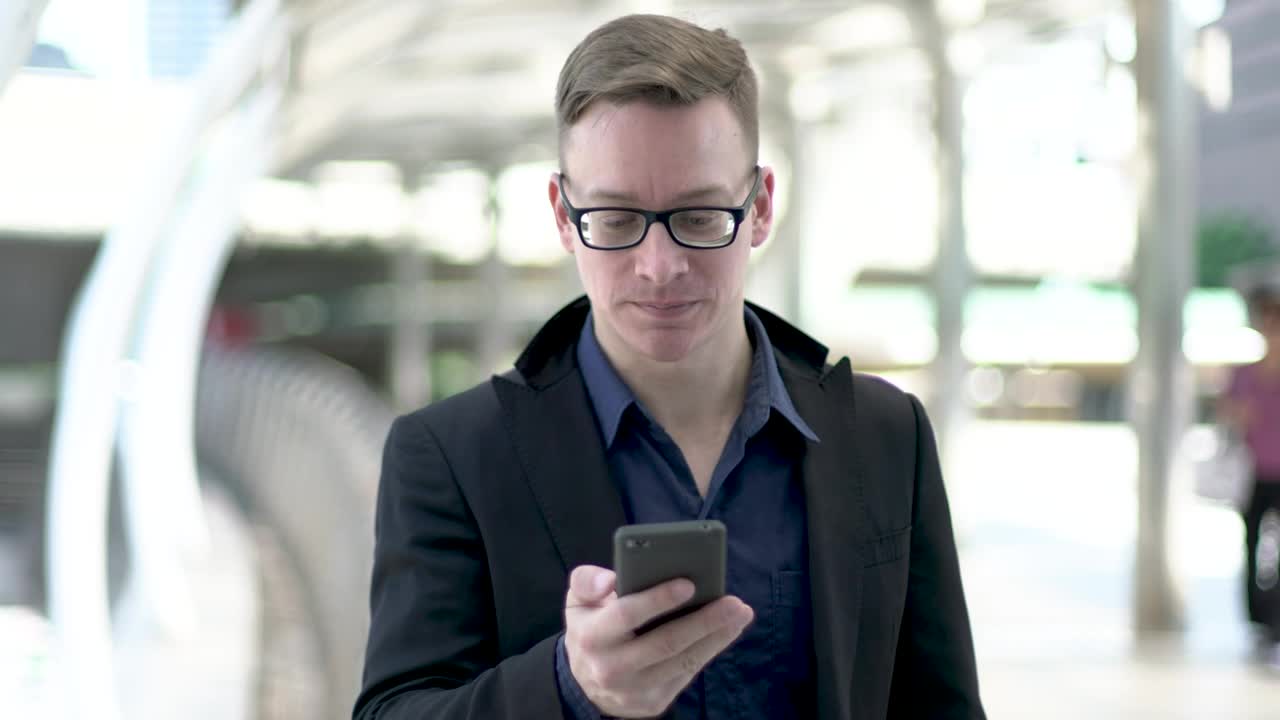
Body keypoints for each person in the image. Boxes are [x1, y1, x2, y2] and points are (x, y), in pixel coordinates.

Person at [353, 14, 985, 720]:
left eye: (701, 216)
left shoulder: (885, 435)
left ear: (761, 207)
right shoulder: (450, 455)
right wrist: (569, 687)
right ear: (564, 216)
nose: (660, 267)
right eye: (617, 220)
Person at [1219, 287, 1280, 668]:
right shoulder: (1245, 374)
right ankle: (1258, 622)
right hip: (1255, 472)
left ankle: (1277, 622)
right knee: (1252, 545)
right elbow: (1231, 415)